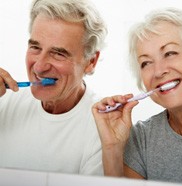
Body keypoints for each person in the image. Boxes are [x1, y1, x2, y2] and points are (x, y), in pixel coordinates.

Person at [92, 7, 182, 184]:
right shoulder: (142, 138)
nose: (158, 71)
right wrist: (113, 148)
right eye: (146, 63)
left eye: (170, 53)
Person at [0, 0, 107, 175]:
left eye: (58, 53)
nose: (39, 67)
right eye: (35, 47)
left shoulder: (103, 127)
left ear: (91, 61)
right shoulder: (4, 101)